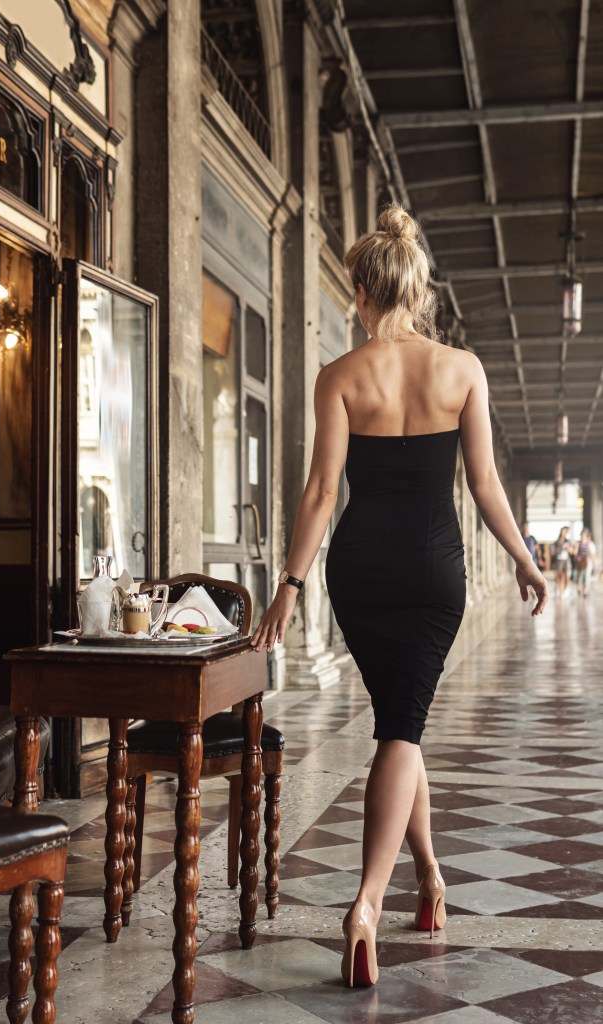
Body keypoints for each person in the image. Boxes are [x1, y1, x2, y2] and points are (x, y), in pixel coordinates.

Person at [250, 204, 547, 989]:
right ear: (415, 290)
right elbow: (482, 486)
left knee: (398, 724)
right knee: (403, 728)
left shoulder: (338, 377)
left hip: (359, 570)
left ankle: (429, 877)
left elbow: (319, 491)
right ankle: (366, 906)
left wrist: (289, 585)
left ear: (359, 291)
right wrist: (524, 559)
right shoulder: (463, 370)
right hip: (432, 572)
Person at [575, 527, 596, 597]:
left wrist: (593, 563)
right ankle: (579, 588)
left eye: (584, 535)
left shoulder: (590, 544)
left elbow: (592, 554)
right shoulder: (578, 543)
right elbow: (576, 552)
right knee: (579, 576)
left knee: (586, 576)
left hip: (587, 561)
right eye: (582, 534)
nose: (582, 536)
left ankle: (585, 591)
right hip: (579, 562)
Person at [552, 526, 571, 597]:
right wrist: (560, 548)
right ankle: (561, 590)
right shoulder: (557, 542)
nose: (564, 533)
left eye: (565, 531)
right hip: (559, 560)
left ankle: (564, 589)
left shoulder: (568, 541)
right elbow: (552, 551)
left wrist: (568, 549)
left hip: (566, 560)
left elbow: (572, 550)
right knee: (559, 576)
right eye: (563, 531)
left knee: (566, 576)